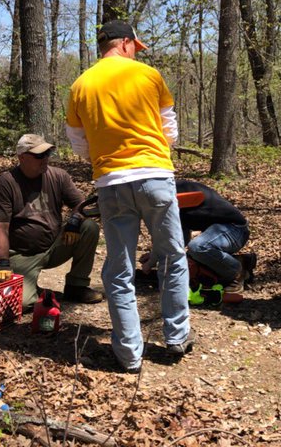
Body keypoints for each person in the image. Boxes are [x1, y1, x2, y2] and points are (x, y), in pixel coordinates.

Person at [65, 20, 193, 374]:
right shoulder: (149, 77)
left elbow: (78, 143)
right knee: (171, 257)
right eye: (135, 45)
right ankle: (177, 336)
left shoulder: (81, 85)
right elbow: (169, 128)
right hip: (155, 176)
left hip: (111, 183)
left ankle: (128, 354)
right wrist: (152, 154)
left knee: (119, 270)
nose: (137, 50)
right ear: (124, 43)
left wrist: (108, 159)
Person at [0, 132, 103, 309]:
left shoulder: (58, 176)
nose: (45, 159)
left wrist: (74, 222)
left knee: (88, 227)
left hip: (55, 245)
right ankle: (39, 293)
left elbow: (80, 206)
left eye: (47, 154)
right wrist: (3, 263)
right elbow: (0, 228)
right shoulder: (6, 183)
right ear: (22, 157)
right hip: (23, 254)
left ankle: (76, 286)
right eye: (38, 155)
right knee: (21, 303)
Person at [142, 180, 255, 302]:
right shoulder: (173, 193)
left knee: (198, 247)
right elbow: (179, 239)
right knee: (193, 258)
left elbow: (169, 236)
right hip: (224, 231)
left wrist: (152, 261)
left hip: (235, 230)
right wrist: (157, 254)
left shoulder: (173, 197)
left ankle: (237, 271)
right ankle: (241, 260)